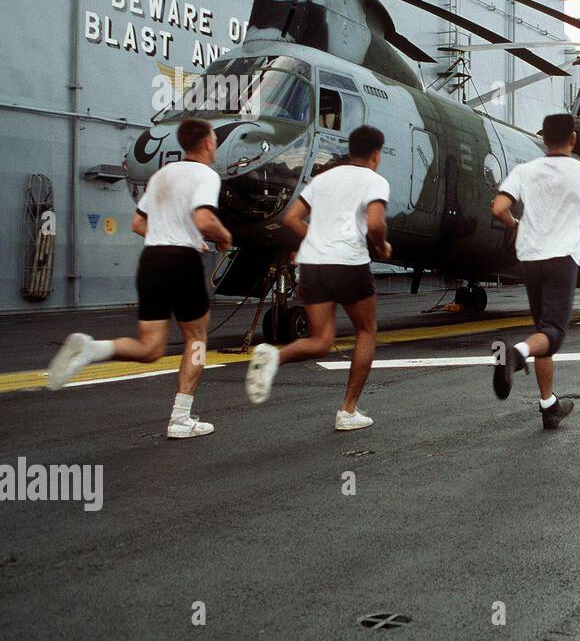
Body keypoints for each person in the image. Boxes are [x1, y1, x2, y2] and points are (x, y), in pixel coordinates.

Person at [47, 118, 232, 439]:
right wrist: (223, 235)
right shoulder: (206, 175)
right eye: (214, 139)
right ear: (206, 144)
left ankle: (92, 349)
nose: (215, 144)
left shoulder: (162, 176)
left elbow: (137, 223)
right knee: (197, 339)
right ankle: (180, 418)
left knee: (150, 348)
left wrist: (181, 235)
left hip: (152, 261)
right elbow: (204, 218)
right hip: (182, 264)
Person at [244, 125, 391, 431]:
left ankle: (275, 355)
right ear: (376, 155)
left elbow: (290, 218)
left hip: (313, 264)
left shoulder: (323, 179)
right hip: (348, 263)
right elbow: (376, 223)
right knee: (366, 331)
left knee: (321, 340)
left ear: (350, 150)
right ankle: (348, 411)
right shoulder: (375, 180)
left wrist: (318, 239)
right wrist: (382, 245)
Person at [489, 114, 580, 430]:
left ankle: (549, 406)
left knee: (543, 329)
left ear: (544, 139)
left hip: (530, 258)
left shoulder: (524, 171)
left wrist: (516, 225)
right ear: (572, 138)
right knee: (553, 334)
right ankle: (515, 355)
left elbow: (499, 208)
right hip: (562, 258)